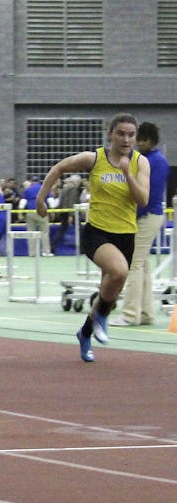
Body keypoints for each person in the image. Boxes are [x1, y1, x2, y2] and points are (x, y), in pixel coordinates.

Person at [35, 113, 150, 362]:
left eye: (131, 135)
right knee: (119, 272)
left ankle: (85, 332)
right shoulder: (95, 158)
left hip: (126, 235)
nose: (126, 139)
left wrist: (127, 174)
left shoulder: (140, 163)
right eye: (121, 133)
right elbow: (59, 168)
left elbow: (142, 199)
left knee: (108, 290)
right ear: (110, 134)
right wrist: (40, 198)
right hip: (97, 232)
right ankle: (100, 317)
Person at [110, 122, 169, 326]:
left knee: (133, 264)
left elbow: (149, 195)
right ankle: (145, 313)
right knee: (142, 265)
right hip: (144, 215)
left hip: (147, 215)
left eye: (143, 139)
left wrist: (132, 217)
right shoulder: (145, 159)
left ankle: (129, 314)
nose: (139, 143)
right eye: (139, 139)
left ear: (152, 141)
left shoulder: (156, 161)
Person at [49, 174, 82, 254]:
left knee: (62, 230)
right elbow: (71, 201)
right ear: (76, 181)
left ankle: (52, 247)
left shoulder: (65, 187)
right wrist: (71, 215)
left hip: (63, 212)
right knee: (80, 230)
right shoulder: (73, 188)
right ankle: (82, 249)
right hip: (71, 213)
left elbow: (62, 201)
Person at [21, 175, 53, 256]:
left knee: (31, 232)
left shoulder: (28, 190)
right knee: (45, 232)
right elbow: (51, 201)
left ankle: (32, 252)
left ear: (31, 181)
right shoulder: (44, 188)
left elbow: (22, 203)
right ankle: (46, 251)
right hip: (42, 211)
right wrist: (53, 212)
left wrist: (20, 213)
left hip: (30, 212)